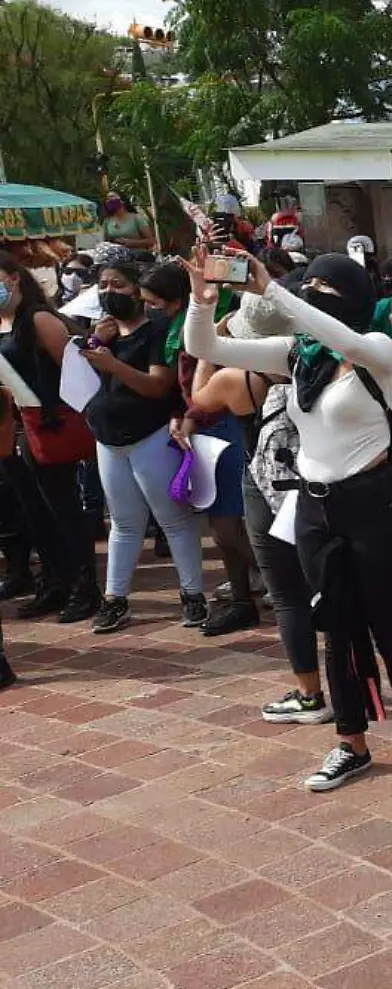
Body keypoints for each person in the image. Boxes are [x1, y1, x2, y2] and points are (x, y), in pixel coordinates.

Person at [181, 248, 392, 792]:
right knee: (335, 627)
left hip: (372, 502)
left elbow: (340, 336)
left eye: (326, 288)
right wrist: (201, 303)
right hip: (314, 506)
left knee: (390, 625)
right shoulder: (298, 354)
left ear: (356, 299)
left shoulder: (375, 349)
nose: (313, 296)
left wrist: (273, 290)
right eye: (309, 286)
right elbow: (204, 348)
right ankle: (352, 742)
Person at [174, 288, 328, 724]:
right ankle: (358, 684)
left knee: (287, 596)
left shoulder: (238, 378)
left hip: (263, 484)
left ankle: (309, 693)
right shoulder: (322, 363)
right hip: (319, 480)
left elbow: (198, 397)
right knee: (334, 586)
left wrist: (215, 339)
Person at [77, 259, 208, 633]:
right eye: (103, 285)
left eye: (117, 284)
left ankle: (193, 594)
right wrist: (96, 344)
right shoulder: (102, 334)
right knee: (123, 522)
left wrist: (113, 365)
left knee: (173, 519)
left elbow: (157, 386)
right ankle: (115, 598)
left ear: (138, 290)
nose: (109, 292)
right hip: (108, 439)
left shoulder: (157, 331)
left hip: (149, 436)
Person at [143, 262, 262, 636]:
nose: (151, 309)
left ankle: (290, 581)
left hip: (223, 424)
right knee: (220, 523)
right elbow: (184, 381)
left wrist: (193, 413)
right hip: (201, 426)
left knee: (228, 525)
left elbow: (215, 380)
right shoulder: (178, 326)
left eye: (156, 302)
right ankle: (246, 595)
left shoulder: (218, 318)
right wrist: (182, 414)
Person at [0, 253, 100, 624]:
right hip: (14, 427)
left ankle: (84, 585)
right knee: (33, 511)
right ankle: (55, 581)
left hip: (48, 423)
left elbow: (76, 372)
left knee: (63, 509)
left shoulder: (39, 319)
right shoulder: (4, 321)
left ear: (13, 278)